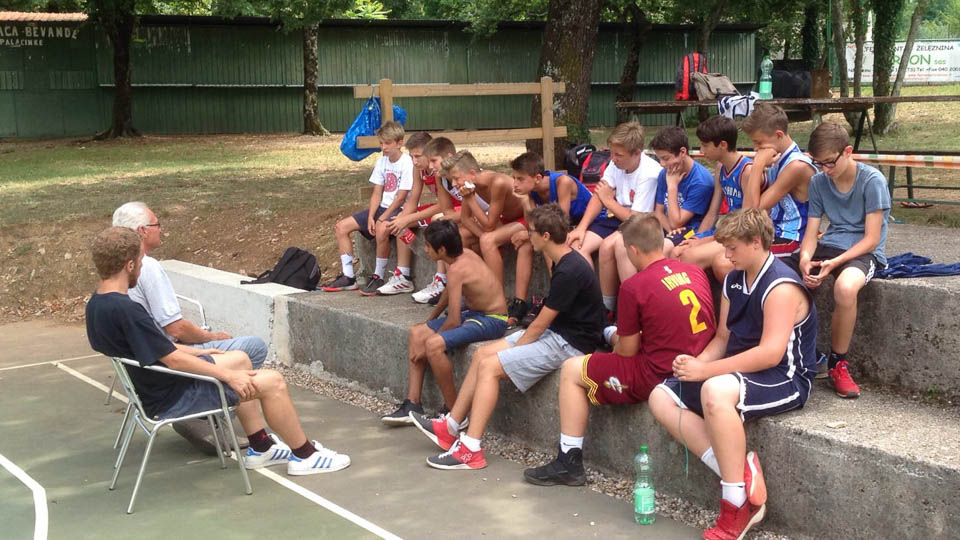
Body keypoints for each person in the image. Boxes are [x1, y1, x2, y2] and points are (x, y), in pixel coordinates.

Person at [86, 227, 350, 476]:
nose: (142, 267)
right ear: (129, 265)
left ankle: (261, 447)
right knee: (273, 382)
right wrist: (228, 376)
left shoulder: (98, 304)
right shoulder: (127, 310)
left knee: (240, 359)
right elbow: (173, 360)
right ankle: (305, 455)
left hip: (155, 387)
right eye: (140, 261)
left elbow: (157, 348)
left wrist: (204, 352)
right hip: (172, 397)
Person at [648, 208, 818, 540]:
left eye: (733, 248)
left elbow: (770, 353)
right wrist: (695, 365)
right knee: (661, 396)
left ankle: (736, 504)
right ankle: (739, 473)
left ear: (755, 242)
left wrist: (706, 371)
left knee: (713, 391)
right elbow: (723, 338)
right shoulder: (733, 279)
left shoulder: (781, 286)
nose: (726, 256)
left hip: (785, 377)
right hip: (741, 370)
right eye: (724, 247)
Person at [523, 213, 716, 486]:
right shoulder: (694, 271)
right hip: (698, 361)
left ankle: (568, 461)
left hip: (658, 373)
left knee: (571, 369)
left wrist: (613, 336)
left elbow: (627, 352)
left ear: (633, 250)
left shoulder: (634, 286)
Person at [409, 204, 605, 471]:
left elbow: (538, 326)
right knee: (481, 354)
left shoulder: (569, 270)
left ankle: (471, 449)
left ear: (545, 236)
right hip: (556, 333)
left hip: (569, 344)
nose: (526, 235)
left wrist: (512, 353)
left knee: (490, 366)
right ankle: (450, 427)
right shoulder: (564, 261)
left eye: (530, 231)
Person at [113, 201, 268, 454]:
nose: (161, 229)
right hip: (167, 361)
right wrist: (211, 337)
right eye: (157, 224)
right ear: (142, 231)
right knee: (252, 349)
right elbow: (175, 329)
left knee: (236, 355)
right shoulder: (147, 267)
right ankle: (205, 416)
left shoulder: (110, 286)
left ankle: (210, 417)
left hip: (149, 362)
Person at [794, 121, 890, 398]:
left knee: (845, 288)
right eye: (818, 163)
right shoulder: (818, 181)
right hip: (829, 245)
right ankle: (803, 354)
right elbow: (811, 232)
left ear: (847, 151)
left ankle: (838, 364)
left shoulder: (872, 181)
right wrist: (805, 258)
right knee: (783, 277)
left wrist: (835, 264)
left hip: (864, 252)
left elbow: (871, 239)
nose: (824, 170)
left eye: (829, 162)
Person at [380, 220, 508, 425]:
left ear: (441, 250)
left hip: (493, 320)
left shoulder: (458, 269)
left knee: (432, 346)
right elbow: (449, 291)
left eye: (428, 246)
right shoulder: (461, 256)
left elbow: (454, 320)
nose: (425, 250)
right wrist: (431, 321)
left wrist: (427, 346)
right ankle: (413, 404)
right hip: (475, 314)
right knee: (416, 332)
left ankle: (455, 414)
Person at [566, 121, 661, 318]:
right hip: (618, 215)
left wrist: (609, 201)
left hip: (642, 223)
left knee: (611, 246)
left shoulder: (650, 173)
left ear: (637, 153)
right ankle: (597, 305)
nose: (613, 159)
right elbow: (599, 195)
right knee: (576, 246)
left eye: (618, 155)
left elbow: (636, 218)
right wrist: (581, 228)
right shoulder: (616, 164)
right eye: (612, 153)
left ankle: (631, 308)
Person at [502, 151, 595, 326]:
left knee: (548, 245)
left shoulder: (562, 182)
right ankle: (521, 303)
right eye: (514, 178)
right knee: (528, 244)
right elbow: (533, 224)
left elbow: (559, 225)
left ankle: (558, 296)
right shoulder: (532, 191)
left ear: (537, 178)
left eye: (520, 179)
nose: (515, 184)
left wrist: (528, 234)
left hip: (589, 222)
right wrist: (525, 201)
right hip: (567, 226)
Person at [321, 121, 414, 295]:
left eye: (388, 143)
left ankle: (378, 276)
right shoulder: (382, 162)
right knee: (341, 227)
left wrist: (381, 218)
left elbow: (401, 197)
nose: (384, 147)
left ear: (399, 143)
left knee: (381, 229)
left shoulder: (407, 163)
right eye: (381, 143)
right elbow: (377, 192)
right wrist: (371, 216)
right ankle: (349, 277)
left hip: (398, 209)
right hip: (382, 208)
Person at [675, 115, 756, 281]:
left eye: (705, 145)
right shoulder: (721, 167)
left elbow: (748, 221)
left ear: (723, 145)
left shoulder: (747, 171)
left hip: (743, 234)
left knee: (689, 256)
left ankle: (699, 297)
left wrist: (707, 240)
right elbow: (713, 212)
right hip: (727, 231)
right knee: (677, 251)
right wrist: (698, 236)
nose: (701, 151)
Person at [742, 103, 817, 259]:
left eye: (759, 142)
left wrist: (757, 166)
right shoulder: (778, 159)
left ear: (779, 135)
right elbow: (750, 213)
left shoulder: (796, 166)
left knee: (725, 261)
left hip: (793, 239)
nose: (755, 148)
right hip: (775, 233)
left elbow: (751, 211)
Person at [377, 131, 436, 295]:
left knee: (407, 221)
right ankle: (403, 276)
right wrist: (402, 217)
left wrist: (409, 218)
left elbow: (444, 206)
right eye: (411, 157)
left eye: (417, 156)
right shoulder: (418, 169)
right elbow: (413, 199)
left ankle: (441, 280)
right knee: (399, 222)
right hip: (441, 207)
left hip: (450, 209)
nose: (414, 161)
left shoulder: (438, 168)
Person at [649, 125, 715, 256]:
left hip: (690, 230)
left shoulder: (701, 181)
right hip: (669, 227)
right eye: (659, 158)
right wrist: (670, 231)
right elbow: (659, 212)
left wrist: (672, 186)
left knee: (658, 250)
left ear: (682, 152)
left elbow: (677, 223)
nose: (661, 164)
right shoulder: (665, 173)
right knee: (633, 243)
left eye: (666, 158)